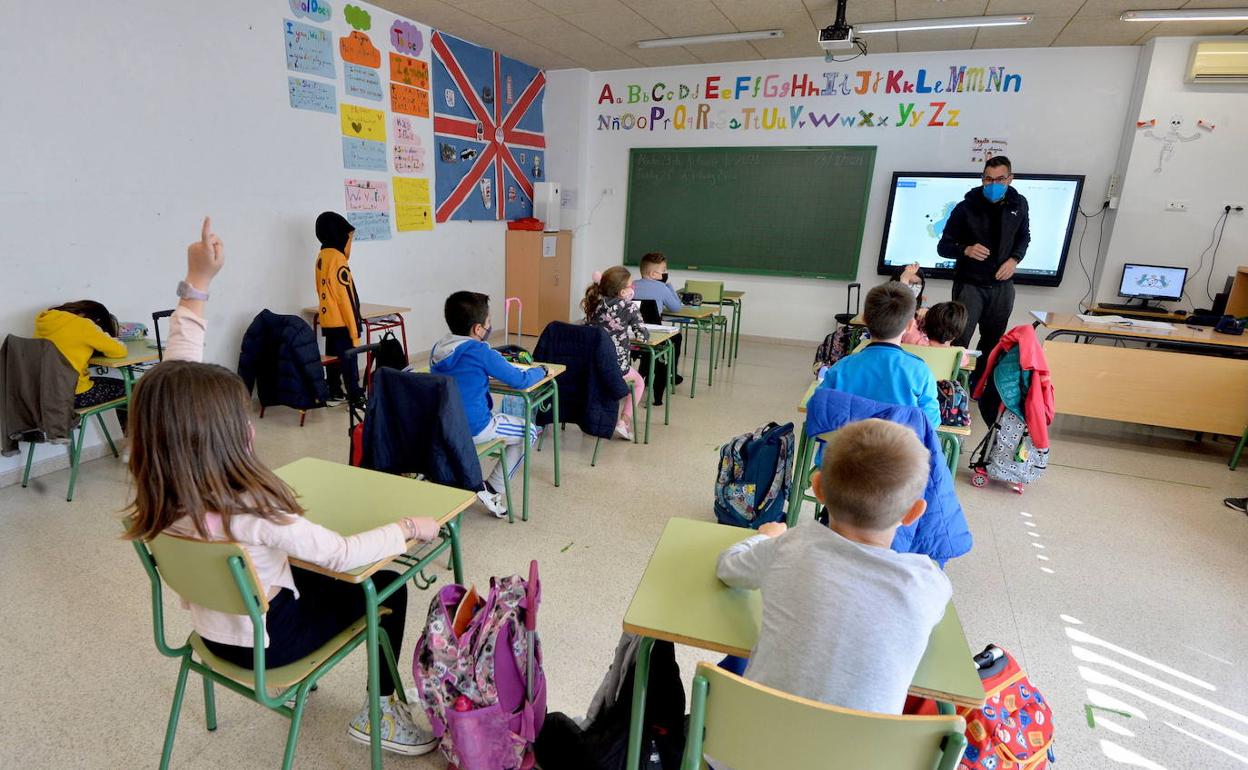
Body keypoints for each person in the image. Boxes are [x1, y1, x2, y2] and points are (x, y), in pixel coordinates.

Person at [124, 218, 441, 756]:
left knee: (292, 568)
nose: (249, 426)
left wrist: (196, 283)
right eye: (239, 419)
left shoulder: (157, 480)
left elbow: (174, 377)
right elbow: (342, 554)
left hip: (212, 636)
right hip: (271, 645)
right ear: (227, 437)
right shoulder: (254, 507)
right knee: (388, 583)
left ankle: (329, 687)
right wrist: (410, 527)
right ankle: (381, 712)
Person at [716, 419, 952, 713]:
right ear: (913, 513)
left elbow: (727, 568)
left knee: (735, 666)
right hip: (860, 758)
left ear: (818, 488)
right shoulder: (928, 582)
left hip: (739, 753)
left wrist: (763, 538)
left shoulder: (791, 545)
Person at [430, 291, 547, 517]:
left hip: (443, 426)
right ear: (477, 329)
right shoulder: (480, 350)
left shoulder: (439, 348)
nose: (490, 326)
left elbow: (462, 376)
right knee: (530, 432)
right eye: (489, 322)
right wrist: (540, 371)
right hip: (475, 428)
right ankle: (493, 488)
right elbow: (520, 380)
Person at [936, 155, 1030, 388]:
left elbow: (1024, 237)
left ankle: (979, 387)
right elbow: (943, 247)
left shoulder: (1019, 204)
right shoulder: (965, 208)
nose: (993, 184)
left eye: (999, 179)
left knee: (993, 341)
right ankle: (951, 387)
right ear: (982, 179)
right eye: (988, 179)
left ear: (1010, 179)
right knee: (959, 338)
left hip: (1002, 287)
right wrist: (965, 249)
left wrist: (1014, 260)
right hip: (970, 285)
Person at [819, 282, 941, 428]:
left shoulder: (841, 368)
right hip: (898, 449)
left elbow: (820, 411)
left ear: (864, 319)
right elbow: (931, 423)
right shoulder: (920, 371)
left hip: (846, 448)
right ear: (909, 325)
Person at [582, 267, 647, 441]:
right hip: (616, 367)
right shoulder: (629, 307)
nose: (633, 286)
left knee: (602, 383)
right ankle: (624, 422)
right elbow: (642, 335)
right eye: (630, 283)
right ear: (623, 290)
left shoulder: (594, 303)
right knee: (639, 383)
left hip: (592, 364)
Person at [34, 300, 127, 409]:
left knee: (117, 383)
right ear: (97, 320)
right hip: (73, 395)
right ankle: (131, 426)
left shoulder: (45, 321)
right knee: (132, 388)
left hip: (45, 395)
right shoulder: (83, 325)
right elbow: (120, 351)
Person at [314, 211, 364, 406]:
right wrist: (355, 332)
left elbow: (319, 288)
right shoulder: (338, 259)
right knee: (349, 360)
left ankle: (334, 390)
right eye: (348, 236)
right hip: (343, 320)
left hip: (328, 319)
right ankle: (355, 396)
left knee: (334, 358)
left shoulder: (322, 255)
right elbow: (347, 299)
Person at [630, 252, 685, 395]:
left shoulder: (631, 285)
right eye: (664, 270)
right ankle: (672, 373)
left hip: (632, 335)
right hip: (654, 335)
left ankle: (644, 370)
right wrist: (670, 287)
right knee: (677, 338)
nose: (665, 273)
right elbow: (676, 308)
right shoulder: (662, 288)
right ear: (653, 274)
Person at [902, 301, 973, 368]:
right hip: (939, 381)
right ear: (957, 334)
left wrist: (919, 317)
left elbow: (907, 323)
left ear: (926, 326)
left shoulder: (914, 341)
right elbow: (965, 361)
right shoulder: (959, 354)